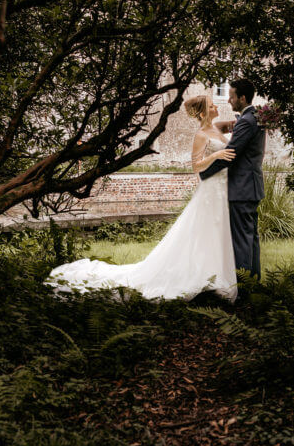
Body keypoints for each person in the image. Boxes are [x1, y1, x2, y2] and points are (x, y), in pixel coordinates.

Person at [45, 94, 239, 301]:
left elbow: (237, 125)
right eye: (211, 105)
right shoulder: (201, 134)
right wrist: (215, 155)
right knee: (205, 231)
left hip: (222, 187)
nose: (216, 106)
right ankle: (203, 276)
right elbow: (195, 166)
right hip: (210, 189)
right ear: (203, 113)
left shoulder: (217, 128)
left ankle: (216, 273)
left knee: (217, 231)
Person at [198, 78, 265, 280]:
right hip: (252, 186)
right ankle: (253, 282)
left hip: (242, 188)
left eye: (232, 96)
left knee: (242, 240)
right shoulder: (255, 117)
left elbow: (230, 153)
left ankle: (244, 287)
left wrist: (204, 173)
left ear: (242, 98)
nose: (228, 100)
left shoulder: (247, 121)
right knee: (251, 238)